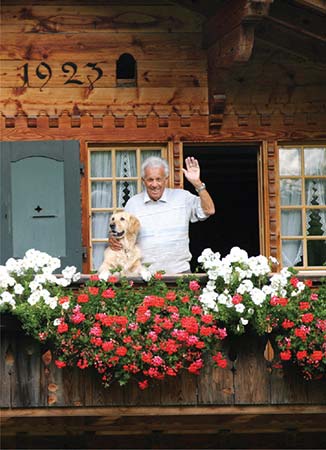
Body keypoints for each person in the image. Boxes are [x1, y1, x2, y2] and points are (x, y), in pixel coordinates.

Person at [109, 156, 215, 274]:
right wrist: (114, 239)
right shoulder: (133, 203)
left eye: (159, 179)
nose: (154, 184)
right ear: (143, 181)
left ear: (166, 179)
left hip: (180, 274)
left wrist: (197, 183)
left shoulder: (183, 197)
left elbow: (209, 210)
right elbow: (123, 234)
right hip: (144, 276)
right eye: (150, 179)